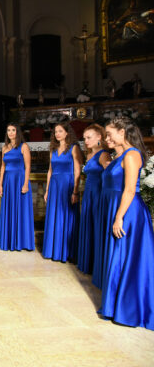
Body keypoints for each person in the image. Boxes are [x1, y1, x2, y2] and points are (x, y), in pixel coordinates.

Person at [99, 117, 154, 330]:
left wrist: (119, 217)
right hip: (119, 208)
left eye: (109, 134)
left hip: (128, 212)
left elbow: (130, 190)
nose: (106, 138)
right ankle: (115, 305)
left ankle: (127, 309)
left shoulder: (132, 155)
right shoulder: (121, 154)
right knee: (118, 257)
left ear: (122, 132)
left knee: (125, 257)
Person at [42, 121, 83, 262]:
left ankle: (67, 252)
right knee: (54, 216)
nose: (57, 134)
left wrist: (75, 191)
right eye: (55, 132)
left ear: (67, 132)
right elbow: (50, 170)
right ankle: (53, 250)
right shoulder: (53, 149)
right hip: (54, 185)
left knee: (66, 215)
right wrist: (47, 190)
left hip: (67, 185)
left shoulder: (74, 148)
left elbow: (77, 170)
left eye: (60, 131)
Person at [77, 124, 110, 277]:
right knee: (88, 225)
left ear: (99, 137)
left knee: (96, 226)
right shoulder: (90, 155)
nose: (86, 141)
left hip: (98, 194)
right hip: (88, 194)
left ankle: (97, 265)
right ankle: (88, 263)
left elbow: (110, 175)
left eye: (89, 138)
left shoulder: (104, 154)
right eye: (84, 138)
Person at [0, 123, 34, 251]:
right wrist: (0, 184)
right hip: (8, 181)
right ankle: (9, 240)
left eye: (13, 130)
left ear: (17, 132)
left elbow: (28, 167)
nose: (11, 132)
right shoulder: (5, 148)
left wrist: (25, 183)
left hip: (19, 180)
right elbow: (3, 167)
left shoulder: (24, 146)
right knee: (9, 209)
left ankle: (21, 241)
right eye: (8, 130)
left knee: (20, 210)